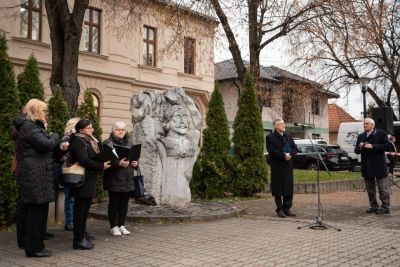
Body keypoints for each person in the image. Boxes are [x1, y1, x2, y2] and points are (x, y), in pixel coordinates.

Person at [14, 99, 65, 257]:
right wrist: (55, 136)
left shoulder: (31, 126)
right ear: (35, 111)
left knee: (35, 211)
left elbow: (45, 148)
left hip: (36, 174)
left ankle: (31, 244)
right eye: (44, 111)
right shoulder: (29, 126)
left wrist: (57, 146)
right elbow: (46, 145)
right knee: (36, 212)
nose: (46, 114)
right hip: (35, 174)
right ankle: (34, 248)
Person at [69, 119, 111, 249]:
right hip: (82, 180)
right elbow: (83, 160)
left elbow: (92, 157)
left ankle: (82, 236)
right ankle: (78, 240)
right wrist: (100, 165)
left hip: (89, 179)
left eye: (91, 127)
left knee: (84, 210)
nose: (91, 130)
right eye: (88, 128)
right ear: (81, 130)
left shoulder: (89, 141)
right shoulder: (78, 141)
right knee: (80, 211)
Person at [103, 121, 138, 236]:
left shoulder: (129, 143)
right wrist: (118, 163)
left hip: (128, 178)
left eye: (123, 130)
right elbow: (105, 162)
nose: (120, 131)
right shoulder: (108, 143)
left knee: (124, 203)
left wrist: (135, 164)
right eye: (118, 129)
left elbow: (134, 160)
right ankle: (113, 226)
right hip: (114, 178)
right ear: (113, 130)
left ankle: (121, 225)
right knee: (114, 203)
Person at [355, 118, 391, 214]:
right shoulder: (361, 136)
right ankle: (374, 206)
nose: (365, 125)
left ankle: (385, 207)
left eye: (367, 124)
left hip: (379, 166)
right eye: (364, 124)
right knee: (370, 190)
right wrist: (360, 146)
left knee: (383, 189)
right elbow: (356, 151)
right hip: (367, 167)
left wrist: (373, 146)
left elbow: (387, 146)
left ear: (372, 125)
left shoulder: (381, 134)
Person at [266, 118, 298, 218]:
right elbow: (272, 151)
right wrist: (283, 156)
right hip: (278, 166)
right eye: (280, 124)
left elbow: (294, 148)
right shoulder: (270, 137)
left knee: (288, 188)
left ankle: (287, 208)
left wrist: (291, 155)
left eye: (283, 123)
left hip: (288, 166)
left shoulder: (288, 135)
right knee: (278, 188)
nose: (283, 125)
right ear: (275, 126)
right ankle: (279, 209)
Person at [61, 117, 81, 231]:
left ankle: (73, 221)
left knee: (75, 198)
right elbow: (64, 156)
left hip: (77, 169)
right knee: (70, 198)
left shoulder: (77, 138)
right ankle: (69, 222)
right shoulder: (66, 138)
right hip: (70, 170)